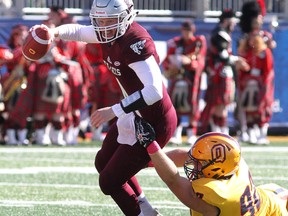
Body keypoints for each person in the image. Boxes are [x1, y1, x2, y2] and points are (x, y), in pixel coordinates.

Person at [37, 0, 177, 215]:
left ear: (126, 17)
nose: (103, 26)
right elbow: (79, 31)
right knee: (103, 162)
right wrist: (53, 32)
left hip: (154, 120)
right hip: (135, 113)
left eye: (109, 20)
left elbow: (154, 91)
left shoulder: (135, 41)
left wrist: (115, 110)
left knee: (109, 181)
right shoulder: (110, 31)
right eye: (99, 20)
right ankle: (146, 209)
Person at [135, 118, 288, 215]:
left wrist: (150, 145)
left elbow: (173, 180)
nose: (192, 164)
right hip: (269, 196)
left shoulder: (219, 195)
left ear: (216, 168)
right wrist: (146, 163)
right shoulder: (231, 161)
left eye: (199, 162)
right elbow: (186, 155)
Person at [200, 9, 249, 135]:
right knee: (220, 105)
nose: (234, 24)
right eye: (232, 21)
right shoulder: (220, 33)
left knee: (222, 104)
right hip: (220, 74)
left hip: (222, 73)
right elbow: (222, 55)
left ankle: (219, 130)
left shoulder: (222, 33)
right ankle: (220, 132)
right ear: (226, 20)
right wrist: (237, 60)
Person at [162, 20, 206, 145]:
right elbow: (166, 61)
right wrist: (171, 66)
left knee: (192, 105)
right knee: (175, 105)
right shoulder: (176, 43)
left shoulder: (198, 42)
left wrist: (190, 62)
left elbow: (200, 61)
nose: (186, 33)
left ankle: (192, 133)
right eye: (184, 30)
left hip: (192, 79)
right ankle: (176, 133)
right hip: (177, 79)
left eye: (188, 30)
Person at [236, 32, 275, 145]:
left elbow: (268, 71)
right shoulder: (246, 52)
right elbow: (243, 70)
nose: (252, 41)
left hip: (260, 85)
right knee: (248, 109)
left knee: (262, 108)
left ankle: (263, 134)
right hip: (248, 86)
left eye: (255, 38)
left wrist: (264, 85)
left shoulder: (265, 52)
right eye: (250, 38)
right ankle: (250, 132)